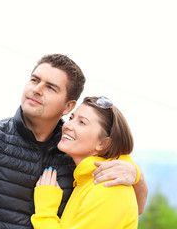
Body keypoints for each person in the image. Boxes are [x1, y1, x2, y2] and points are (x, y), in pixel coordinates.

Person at [0, 35, 148, 228]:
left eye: (51, 87)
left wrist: (137, 176)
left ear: (68, 106)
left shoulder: (75, 153)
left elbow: (130, 207)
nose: (37, 89)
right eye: (34, 80)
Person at [31, 96, 141, 228]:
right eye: (71, 118)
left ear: (103, 143)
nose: (68, 125)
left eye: (82, 122)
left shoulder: (108, 189)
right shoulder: (87, 180)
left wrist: (45, 211)